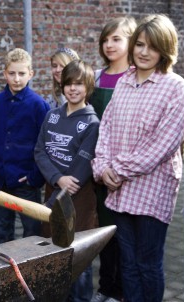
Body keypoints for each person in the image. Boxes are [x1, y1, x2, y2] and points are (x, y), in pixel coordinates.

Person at [91, 14, 184, 302]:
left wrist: (115, 170)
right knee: (127, 264)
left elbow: (162, 145)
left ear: (165, 50)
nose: (144, 52)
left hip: (152, 189)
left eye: (153, 46)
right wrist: (101, 167)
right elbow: (105, 127)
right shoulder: (124, 81)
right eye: (140, 44)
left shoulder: (176, 87)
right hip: (118, 187)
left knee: (148, 264)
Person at [35, 60, 99, 302]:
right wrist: (57, 178)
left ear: (88, 87)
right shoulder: (51, 116)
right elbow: (39, 151)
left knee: (78, 255)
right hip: (53, 188)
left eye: (79, 84)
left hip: (77, 198)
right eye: (68, 83)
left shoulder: (92, 123)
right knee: (53, 248)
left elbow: (81, 168)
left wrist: (58, 192)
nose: (73, 89)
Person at [0, 48, 49, 243]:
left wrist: (35, 177)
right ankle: (7, 270)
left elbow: (43, 144)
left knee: (32, 231)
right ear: (4, 74)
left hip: (25, 180)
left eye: (22, 73)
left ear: (31, 74)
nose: (17, 78)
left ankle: (30, 270)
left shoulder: (38, 105)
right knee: (2, 231)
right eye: (12, 73)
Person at [90, 16, 137, 302]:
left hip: (127, 172)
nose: (109, 44)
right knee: (103, 232)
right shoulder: (95, 77)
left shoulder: (134, 78)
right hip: (98, 167)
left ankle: (121, 291)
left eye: (116, 39)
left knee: (126, 238)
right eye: (106, 39)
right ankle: (105, 287)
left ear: (131, 41)